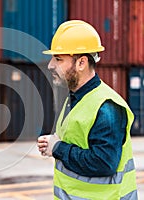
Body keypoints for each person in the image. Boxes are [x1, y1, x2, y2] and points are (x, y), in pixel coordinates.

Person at [37, 20, 138, 199]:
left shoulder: (106, 107)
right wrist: (53, 144)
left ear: (81, 63)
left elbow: (103, 163)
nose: (50, 65)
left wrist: (58, 148)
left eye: (58, 59)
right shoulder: (75, 98)